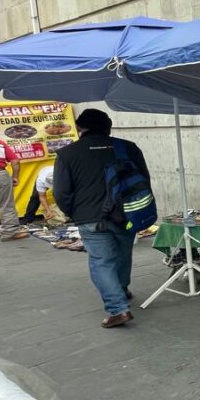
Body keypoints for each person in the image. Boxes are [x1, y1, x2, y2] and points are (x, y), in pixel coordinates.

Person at [54, 109, 150, 328]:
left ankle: (118, 309)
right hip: (126, 213)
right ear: (109, 126)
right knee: (123, 254)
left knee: (102, 261)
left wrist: (74, 212)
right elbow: (144, 181)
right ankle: (121, 289)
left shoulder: (67, 154)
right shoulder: (128, 147)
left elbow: (61, 192)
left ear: (79, 128)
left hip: (89, 217)